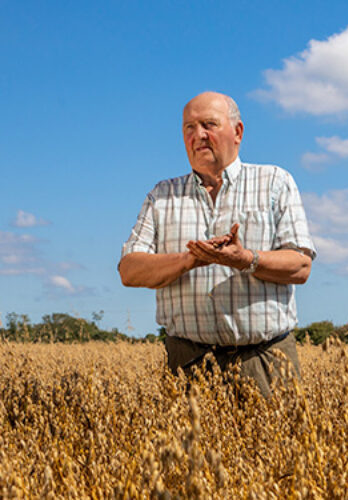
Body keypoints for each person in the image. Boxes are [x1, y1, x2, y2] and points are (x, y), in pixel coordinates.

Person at [118, 91, 316, 397]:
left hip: (264, 360)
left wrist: (245, 259)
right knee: (191, 447)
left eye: (209, 124)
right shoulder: (162, 195)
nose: (198, 135)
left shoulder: (275, 182)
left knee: (274, 444)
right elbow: (129, 270)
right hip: (187, 364)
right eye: (189, 128)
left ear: (237, 132)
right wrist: (189, 260)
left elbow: (301, 266)